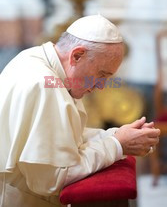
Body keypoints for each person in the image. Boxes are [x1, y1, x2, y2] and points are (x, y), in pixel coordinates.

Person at [0, 15, 160, 207]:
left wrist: (115, 135)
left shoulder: (33, 58)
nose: (101, 86)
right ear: (77, 55)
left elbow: (58, 134)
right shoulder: (44, 85)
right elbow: (53, 178)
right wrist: (117, 145)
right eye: (102, 74)